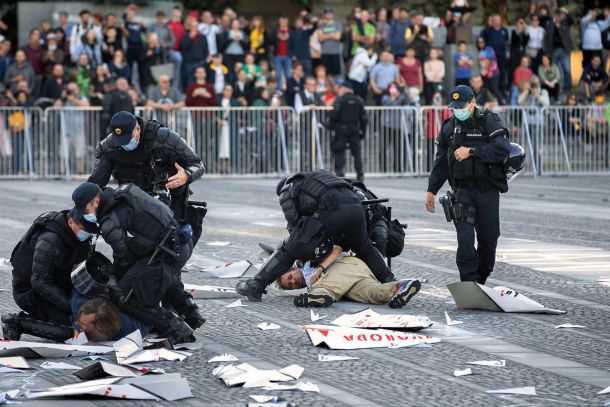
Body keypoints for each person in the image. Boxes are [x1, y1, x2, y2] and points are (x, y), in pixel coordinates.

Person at [236, 170, 396, 302]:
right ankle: (390, 280)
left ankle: (256, 285)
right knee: (365, 248)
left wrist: (306, 249)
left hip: (332, 209)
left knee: (291, 247)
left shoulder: (287, 190)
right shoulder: (320, 176)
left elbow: (295, 227)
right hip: (356, 209)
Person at [89, 182, 203, 344]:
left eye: (86, 209)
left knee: (125, 295)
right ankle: (192, 313)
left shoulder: (109, 223)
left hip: (167, 253)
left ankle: (174, 326)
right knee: (157, 274)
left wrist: (115, 275)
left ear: (95, 202)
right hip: (181, 243)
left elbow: (125, 258)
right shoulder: (126, 191)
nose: (87, 214)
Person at [424, 85, 512, 284]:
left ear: (472, 102)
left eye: (461, 106)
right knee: (464, 242)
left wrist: (471, 151)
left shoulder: (488, 120)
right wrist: (431, 190)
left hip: (487, 190)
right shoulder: (449, 126)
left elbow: (502, 148)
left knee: (488, 240)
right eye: (454, 107)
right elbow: (441, 162)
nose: (458, 110)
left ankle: (480, 280)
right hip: (462, 191)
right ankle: (468, 283)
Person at [88, 111, 206, 245]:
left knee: (173, 244)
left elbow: (198, 164)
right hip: (131, 202)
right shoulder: (109, 146)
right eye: (121, 141)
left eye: (129, 138)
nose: (125, 144)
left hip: (166, 201)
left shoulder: (164, 137)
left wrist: (187, 175)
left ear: (137, 128)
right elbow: (96, 182)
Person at [1, 183, 98, 341]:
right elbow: (39, 281)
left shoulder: (79, 235)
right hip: (29, 291)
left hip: (58, 284)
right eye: (85, 231)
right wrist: (71, 306)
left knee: (88, 320)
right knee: (69, 331)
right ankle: (16, 322)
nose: (87, 235)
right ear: (71, 222)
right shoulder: (50, 238)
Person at [278, 246, 421, 308]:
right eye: (291, 285)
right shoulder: (310, 285)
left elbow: (336, 249)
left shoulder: (308, 262)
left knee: (322, 288)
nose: (293, 282)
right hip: (347, 285)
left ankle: (319, 296)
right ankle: (401, 287)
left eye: (290, 277)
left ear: (294, 268)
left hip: (348, 265)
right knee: (375, 293)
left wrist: (320, 269)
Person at [329, 81, 367, 181]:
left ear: (345, 89)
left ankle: (339, 173)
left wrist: (331, 124)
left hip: (342, 130)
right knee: (357, 153)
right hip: (355, 129)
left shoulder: (340, 100)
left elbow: (334, 115)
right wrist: (363, 131)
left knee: (340, 151)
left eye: (342, 88)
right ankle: (360, 174)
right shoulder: (359, 100)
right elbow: (364, 118)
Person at [543, 8, 573, 91]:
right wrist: (547, 52)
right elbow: (546, 39)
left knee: (567, 69)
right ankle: (556, 88)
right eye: (557, 15)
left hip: (565, 50)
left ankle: (568, 88)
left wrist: (566, 11)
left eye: (560, 15)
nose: (559, 17)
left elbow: (571, 20)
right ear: (554, 15)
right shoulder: (550, 25)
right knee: (554, 70)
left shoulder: (565, 23)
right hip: (554, 51)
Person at [318, 8, 343, 78]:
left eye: (329, 13)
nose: (328, 15)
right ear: (324, 15)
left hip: (335, 52)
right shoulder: (321, 25)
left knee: (334, 73)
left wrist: (325, 36)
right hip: (325, 52)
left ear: (332, 14)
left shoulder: (337, 24)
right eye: (326, 13)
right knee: (325, 73)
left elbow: (338, 37)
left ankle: (333, 88)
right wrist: (331, 34)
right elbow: (320, 38)